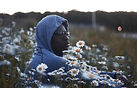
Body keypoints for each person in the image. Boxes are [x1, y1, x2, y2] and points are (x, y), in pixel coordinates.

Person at [25, 15, 128, 87]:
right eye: (60, 33)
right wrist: (118, 83)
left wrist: (113, 75)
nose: (66, 38)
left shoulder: (41, 56)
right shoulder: (52, 62)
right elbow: (90, 81)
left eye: (66, 33)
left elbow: (85, 71)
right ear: (47, 36)